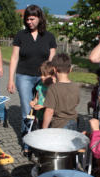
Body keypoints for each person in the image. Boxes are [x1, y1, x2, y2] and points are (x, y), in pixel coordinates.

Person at [7, 5, 57, 136]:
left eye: (32, 19)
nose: (29, 22)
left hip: (44, 79)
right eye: (27, 19)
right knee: (27, 109)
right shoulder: (20, 35)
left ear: (40, 18)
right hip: (24, 77)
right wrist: (10, 79)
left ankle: (42, 137)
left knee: (44, 107)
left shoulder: (49, 37)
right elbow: (14, 58)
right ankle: (27, 140)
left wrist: (53, 78)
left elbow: (52, 61)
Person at [42, 53, 80, 130]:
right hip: (73, 123)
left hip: (58, 126)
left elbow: (49, 111)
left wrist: (44, 129)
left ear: (54, 69)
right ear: (70, 70)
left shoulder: (53, 88)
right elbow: (76, 102)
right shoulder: (76, 86)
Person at [29, 61, 56, 127]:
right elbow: (37, 97)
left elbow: (55, 103)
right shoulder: (40, 84)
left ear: (53, 76)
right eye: (41, 74)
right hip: (40, 116)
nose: (42, 77)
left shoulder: (54, 87)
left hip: (50, 118)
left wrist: (43, 106)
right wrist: (34, 102)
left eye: (45, 75)